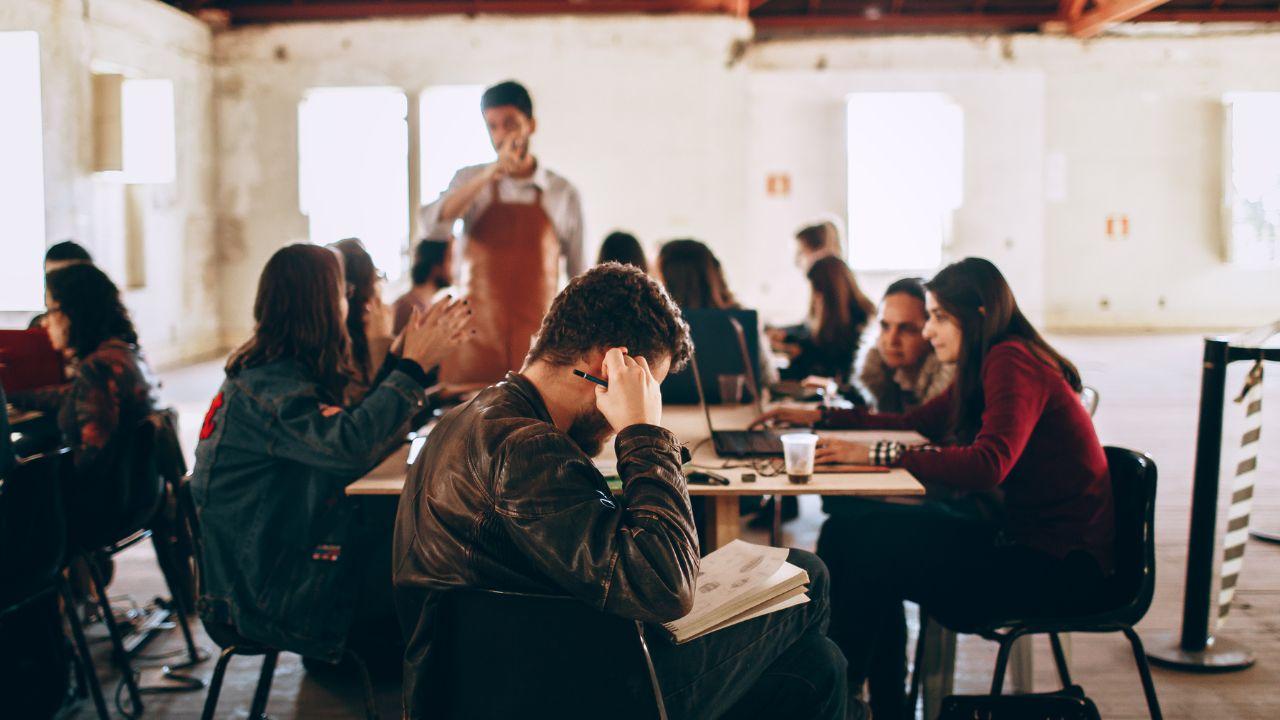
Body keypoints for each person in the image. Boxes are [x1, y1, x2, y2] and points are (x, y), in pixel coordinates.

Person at [393, 264, 851, 720]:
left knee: (818, 667)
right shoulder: (527, 448)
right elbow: (665, 588)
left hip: (515, 674)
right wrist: (643, 429)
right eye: (647, 385)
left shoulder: (471, 416)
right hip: (568, 691)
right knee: (807, 575)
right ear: (608, 367)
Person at [754, 257, 1114, 720]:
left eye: (939, 317)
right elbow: (913, 423)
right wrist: (820, 417)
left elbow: (989, 464)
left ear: (978, 316)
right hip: (1024, 544)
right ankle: (857, 699)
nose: (928, 332)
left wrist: (874, 454)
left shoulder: (1011, 359)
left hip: (1059, 567)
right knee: (850, 530)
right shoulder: (987, 360)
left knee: (864, 543)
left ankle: (846, 699)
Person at [190, 244, 470, 667]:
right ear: (319, 307)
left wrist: (401, 359)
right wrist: (409, 366)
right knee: (440, 566)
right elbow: (351, 445)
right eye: (342, 294)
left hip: (273, 571)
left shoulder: (277, 375)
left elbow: (354, 437)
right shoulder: (268, 389)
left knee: (423, 538)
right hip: (267, 595)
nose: (348, 306)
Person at [420, 80, 585, 385]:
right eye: (492, 126)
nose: (501, 135)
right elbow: (433, 224)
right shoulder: (470, 181)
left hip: (539, 341)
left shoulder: (562, 192)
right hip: (474, 338)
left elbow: (578, 273)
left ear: (531, 125)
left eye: (510, 123)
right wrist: (490, 174)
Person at [10, 264, 158, 531]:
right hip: (138, 497)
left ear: (73, 314)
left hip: (100, 508)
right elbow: (75, 396)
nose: (45, 322)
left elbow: (91, 461)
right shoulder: (121, 355)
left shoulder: (97, 370)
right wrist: (16, 396)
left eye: (51, 310)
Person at [656, 239, 779, 387]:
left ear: (664, 276)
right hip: (737, 408)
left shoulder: (656, 321)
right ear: (713, 273)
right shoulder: (740, 319)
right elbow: (767, 377)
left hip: (666, 409)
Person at [773, 255, 876, 386]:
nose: (814, 299)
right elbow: (808, 334)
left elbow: (830, 362)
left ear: (828, 293)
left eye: (816, 291)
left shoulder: (861, 324)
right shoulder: (838, 320)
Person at [858, 277, 953, 413]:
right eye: (885, 326)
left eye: (906, 329)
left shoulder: (950, 389)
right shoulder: (878, 378)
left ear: (930, 332)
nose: (891, 340)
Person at [330, 238, 394, 403]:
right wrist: (380, 345)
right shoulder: (337, 354)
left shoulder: (358, 341)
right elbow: (384, 422)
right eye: (376, 278)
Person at [28, 241, 94, 330]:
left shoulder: (112, 329)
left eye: (71, 280)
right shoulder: (39, 325)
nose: (60, 289)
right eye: (52, 280)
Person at [393, 239, 454, 335]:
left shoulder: (424, 307)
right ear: (435, 264)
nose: (455, 267)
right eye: (451, 258)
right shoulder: (408, 309)